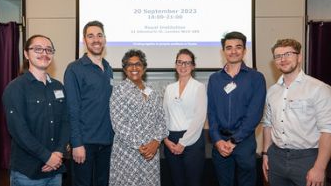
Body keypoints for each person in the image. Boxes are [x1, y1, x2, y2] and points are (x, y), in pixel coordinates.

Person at [261, 38, 331, 186]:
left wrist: (319, 168)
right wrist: (265, 153)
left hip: (307, 159)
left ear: (299, 56)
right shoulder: (272, 91)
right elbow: (267, 124)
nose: (283, 59)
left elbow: (329, 130)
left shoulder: (320, 89)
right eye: (278, 56)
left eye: (288, 54)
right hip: (276, 158)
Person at [2, 35, 69, 186]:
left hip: (55, 169)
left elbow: (66, 121)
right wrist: (47, 157)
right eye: (38, 49)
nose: (44, 53)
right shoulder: (15, 88)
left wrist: (58, 153)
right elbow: (19, 131)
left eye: (49, 50)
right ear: (26, 54)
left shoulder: (58, 86)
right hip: (27, 173)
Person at [207, 31, 266, 186]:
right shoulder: (214, 79)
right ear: (223, 51)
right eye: (229, 47)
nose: (233, 51)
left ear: (244, 50)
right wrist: (217, 140)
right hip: (219, 143)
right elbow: (211, 112)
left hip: (244, 143)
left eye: (238, 47)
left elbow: (255, 114)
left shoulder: (256, 78)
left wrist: (233, 140)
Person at [64, 20, 114, 186]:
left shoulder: (108, 68)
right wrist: (76, 143)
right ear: (84, 41)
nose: (96, 39)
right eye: (90, 36)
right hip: (85, 143)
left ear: (105, 39)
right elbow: (72, 108)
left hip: (107, 141)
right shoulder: (74, 69)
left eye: (99, 35)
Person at [109, 49, 168, 186]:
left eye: (138, 64)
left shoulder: (152, 91)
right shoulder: (119, 91)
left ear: (144, 68)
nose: (134, 68)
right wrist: (141, 146)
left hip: (151, 155)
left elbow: (161, 120)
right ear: (124, 69)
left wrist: (155, 142)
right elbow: (119, 124)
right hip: (127, 154)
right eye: (130, 64)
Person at [163, 48, 207, 186]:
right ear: (175, 64)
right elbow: (164, 115)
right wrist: (165, 139)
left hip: (192, 141)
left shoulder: (199, 87)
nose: (183, 66)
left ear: (193, 66)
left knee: (193, 182)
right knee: (177, 182)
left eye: (187, 63)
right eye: (180, 62)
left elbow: (199, 118)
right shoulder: (169, 88)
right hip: (171, 141)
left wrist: (183, 143)